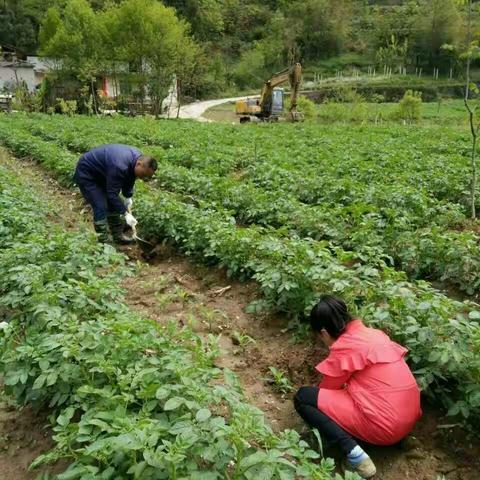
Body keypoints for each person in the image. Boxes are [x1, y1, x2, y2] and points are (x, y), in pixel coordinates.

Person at [294, 295, 422, 479]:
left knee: (304, 397)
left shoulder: (346, 345)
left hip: (385, 427)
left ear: (323, 332)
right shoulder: (375, 334)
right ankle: (401, 440)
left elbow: (328, 390)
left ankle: (356, 457)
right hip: (408, 420)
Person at [74, 144, 157, 244]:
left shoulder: (137, 159)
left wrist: (127, 196)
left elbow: (130, 177)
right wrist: (125, 214)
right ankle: (103, 242)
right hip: (87, 174)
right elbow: (112, 194)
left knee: (114, 203)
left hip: (104, 173)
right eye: (144, 175)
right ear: (138, 164)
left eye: (147, 176)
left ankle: (118, 236)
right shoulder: (119, 166)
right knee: (100, 205)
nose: (144, 178)